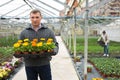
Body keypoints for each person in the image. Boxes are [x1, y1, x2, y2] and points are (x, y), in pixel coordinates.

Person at [18, 9, 59, 80]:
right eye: (32, 17)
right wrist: (19, 53)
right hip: (29, 64)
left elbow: (55, 44)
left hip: (44, 63)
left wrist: (54, 51)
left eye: (37, 17)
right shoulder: (24, 32)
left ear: (41, 17)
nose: (34, 20)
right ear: (30, 18)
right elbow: (19, 46)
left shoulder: (48, 31)